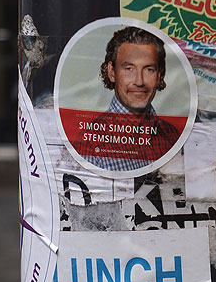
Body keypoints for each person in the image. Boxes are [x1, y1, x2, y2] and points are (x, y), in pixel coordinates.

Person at [74, 26, 181, 172]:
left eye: (149, 69)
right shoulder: (90, 144)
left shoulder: (171, 135)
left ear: (159, 75)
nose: (139, 81)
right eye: (129, 69)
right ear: (112, 72)